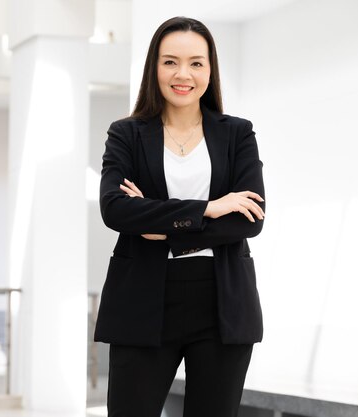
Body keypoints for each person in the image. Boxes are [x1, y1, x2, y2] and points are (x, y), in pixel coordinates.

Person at [93, 16, 266, 417]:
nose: (183, 74)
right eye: (170, 61)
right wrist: (208, 208)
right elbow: (115, 209)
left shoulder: (237, 134)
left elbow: (249, 219)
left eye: (196, 63)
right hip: (142, 299)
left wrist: (162, 228)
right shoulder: (126, 134)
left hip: (222, 302)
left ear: (210, 69)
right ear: (154, 66)